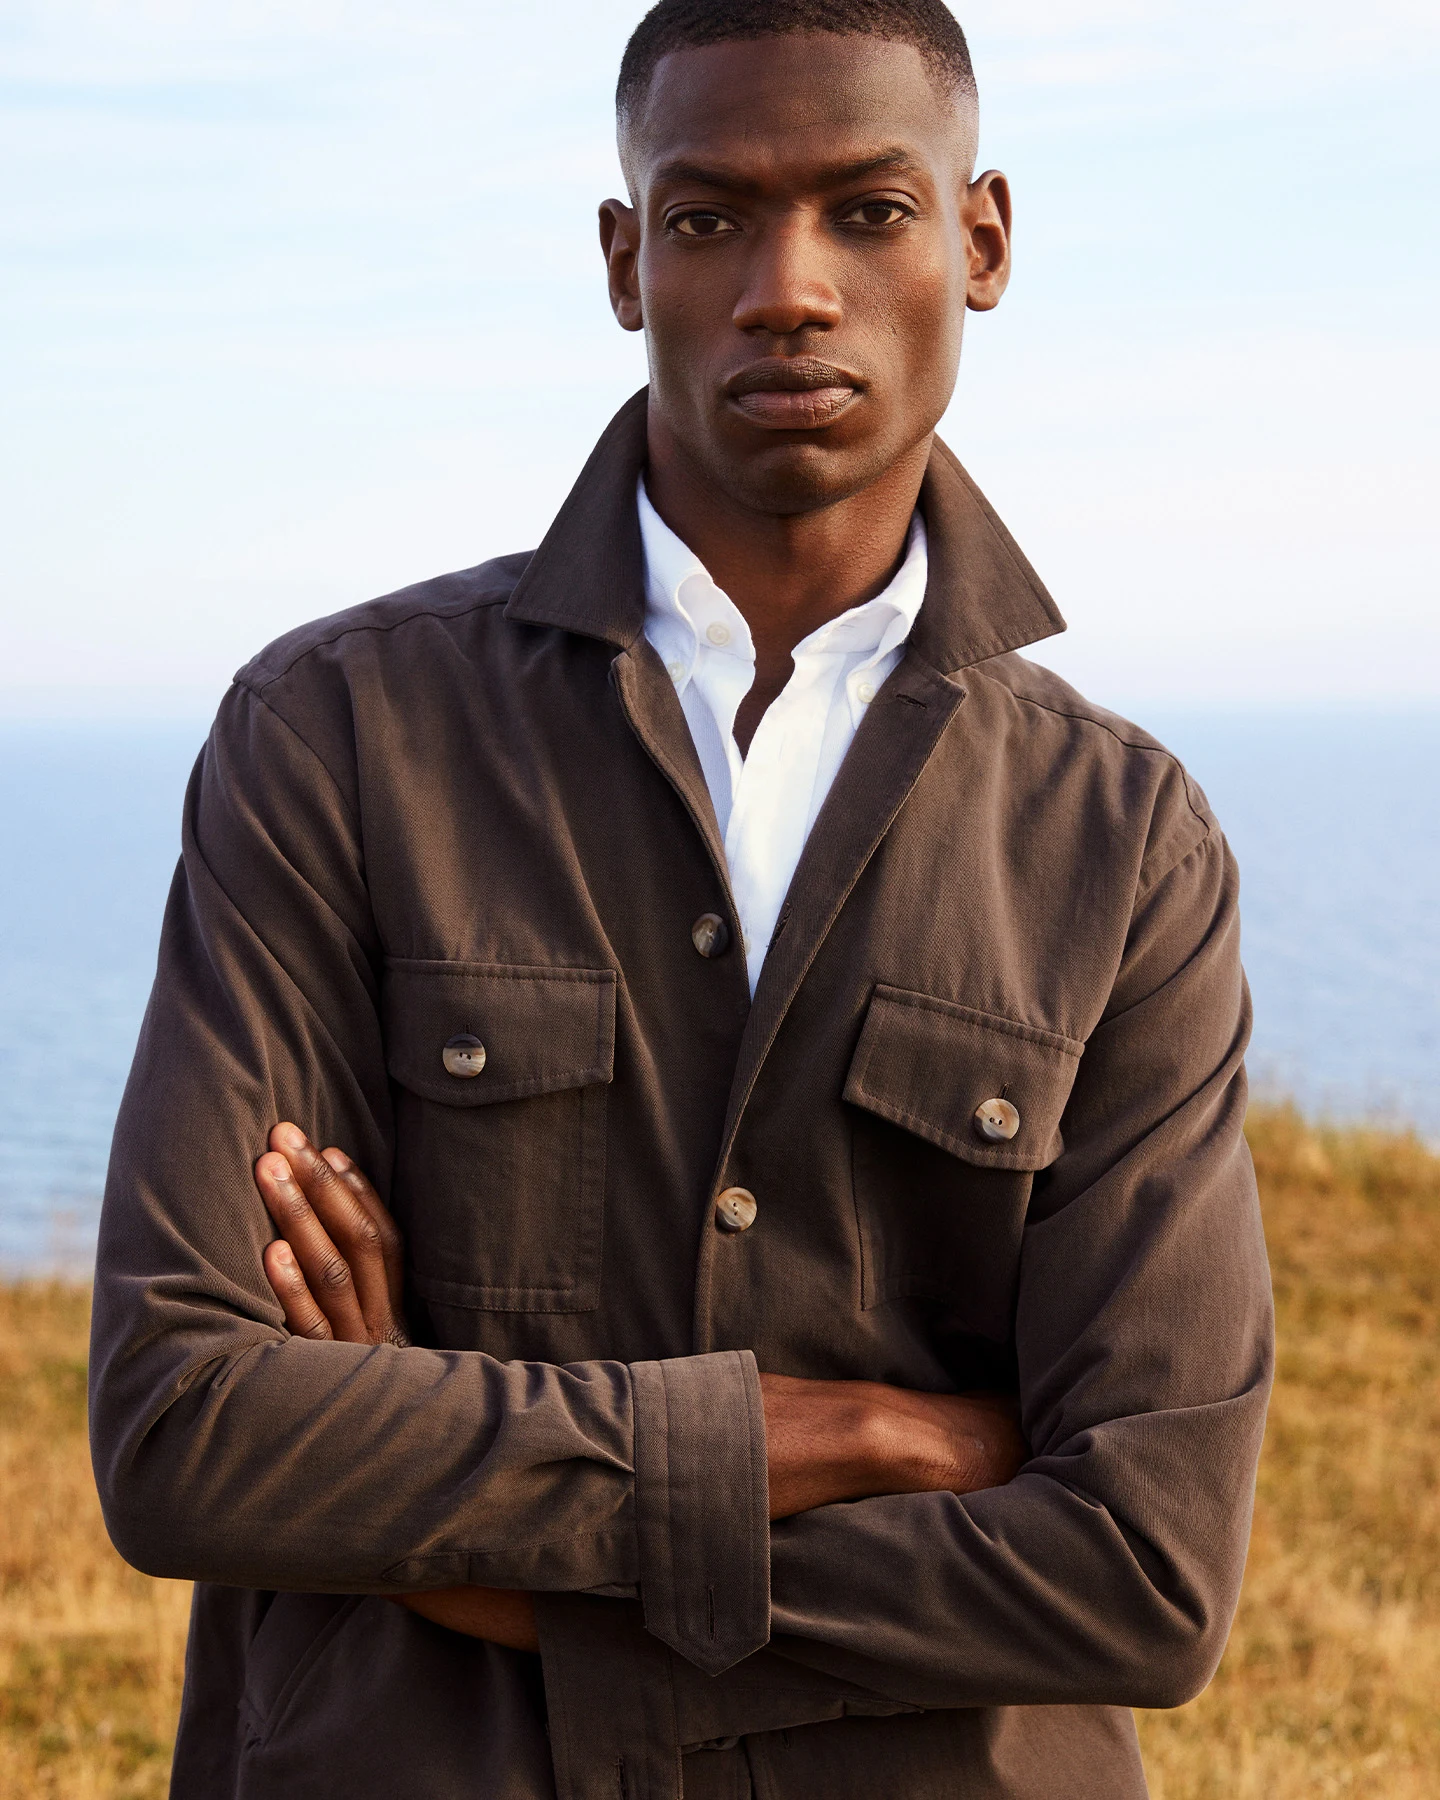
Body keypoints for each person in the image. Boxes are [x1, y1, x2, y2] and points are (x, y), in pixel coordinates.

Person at [89, 1, 1274, 1795]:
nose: (788, 288)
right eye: (711, 216)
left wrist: (488, 1561)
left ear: (983, 239)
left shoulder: (1126, 844)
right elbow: (190, 1427)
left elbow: (1146, 1572)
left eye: (869, 210)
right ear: (626, 259)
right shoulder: (336, 735)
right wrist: (853, 1434)